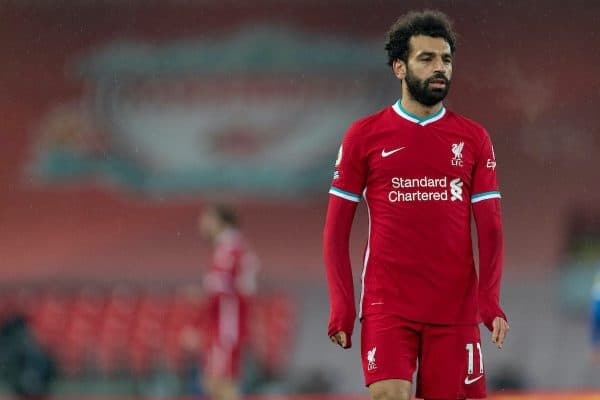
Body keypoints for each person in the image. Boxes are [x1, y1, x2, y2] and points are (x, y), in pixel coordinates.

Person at [323, 10, 509, 400]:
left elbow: (490, 230)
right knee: (390, 394)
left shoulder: (474, 139)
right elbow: (336, 232)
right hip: (387, 304)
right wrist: (341, 306)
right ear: (399, 67)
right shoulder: (364, 135)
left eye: (445, 59)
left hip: (454, 311)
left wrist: (489, 302)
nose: (440, 68)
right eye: (426, 59)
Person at [199, 204, 259, 400]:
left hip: (226, 325)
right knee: (215, 382)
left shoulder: (230, 248)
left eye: (207, 219)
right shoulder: (233, 247)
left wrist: (200, 293)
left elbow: (224, 287)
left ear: (220, 221)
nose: (202, 224)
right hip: (225, 324)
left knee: (221, 382)